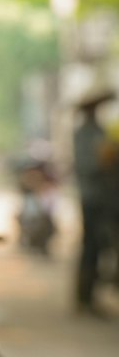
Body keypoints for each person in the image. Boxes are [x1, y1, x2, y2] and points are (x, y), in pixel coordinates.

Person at [73, 90, 117, 313]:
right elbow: (89, 166)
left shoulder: (101, 131)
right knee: (90, 247)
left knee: (100, 247)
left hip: (106, 200)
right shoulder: (83, 134)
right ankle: (84, 299)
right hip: (92, 199)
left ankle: (91, 296)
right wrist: (105, 159)